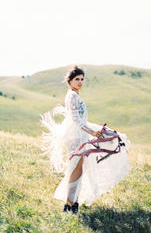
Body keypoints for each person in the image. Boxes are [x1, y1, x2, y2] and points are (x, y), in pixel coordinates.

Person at [40, 65, 131, 214]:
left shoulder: (75, 95)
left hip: (80, 134)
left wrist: (94, 130)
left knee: (79, 169)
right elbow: (76, 120)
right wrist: (92, 132)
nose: (80, 82)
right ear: (69, 81)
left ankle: (74, 202)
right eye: (77, 79)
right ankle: (69, 204)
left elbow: (80, 119)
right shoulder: (72, 96)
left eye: (82, 79)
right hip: (76, 136)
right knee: (75, 169)